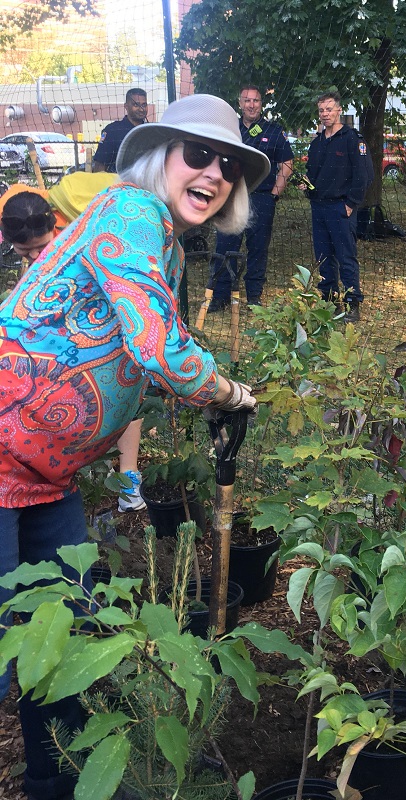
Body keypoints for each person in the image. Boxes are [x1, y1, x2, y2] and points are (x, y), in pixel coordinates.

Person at [0, 92, 268, 800]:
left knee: (59, 639)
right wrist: (227, 391)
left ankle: (52, 781)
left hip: (45, 477)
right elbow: (160, 350)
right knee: (8, 644)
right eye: (198, 153)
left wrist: (188, 393)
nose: (214, 171)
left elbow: (135, 365)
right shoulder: (130, 212)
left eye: (228, 165)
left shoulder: (164, 243)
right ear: (160, 157)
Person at [0, 174, 144, 513]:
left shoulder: (79, 216)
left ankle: (130, 478)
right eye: (25, 251)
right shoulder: (12, 216)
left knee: (127, 380)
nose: (36, 255)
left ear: (55, 224)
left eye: (42, 246)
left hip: (115, 290)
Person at [207, 84, 294, 311]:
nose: (251, 105)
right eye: (247, 101)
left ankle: (254, 297)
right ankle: (220, 296)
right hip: (230, 197)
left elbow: (287, 163)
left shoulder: (274, 131)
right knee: (225, 245)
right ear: (240, 104)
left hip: (262, 199)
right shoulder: (229, 129)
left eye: (255, 100)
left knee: (258, 248)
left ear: (261, 104)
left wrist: (274, 194)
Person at [305, 90, 370, 322]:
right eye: (321, 110)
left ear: (339, 110)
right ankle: (330, 303)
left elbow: (363, 175)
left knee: (346, 257)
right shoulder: (317, 143)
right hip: (319, 208)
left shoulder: (353, 139)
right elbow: (312, 174)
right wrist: (307, 187)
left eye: (329, 109)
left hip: (341, 209)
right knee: (323, 258)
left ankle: (353, 305)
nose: (325, 114)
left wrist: (351, 204)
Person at [92, 87, 148, 172]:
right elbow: (100, 165)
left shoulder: (151, 130)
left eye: (144, 105)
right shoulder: (112, 130)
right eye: (136, 105)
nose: (141, 109)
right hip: (119, 182)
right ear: (126, 106)